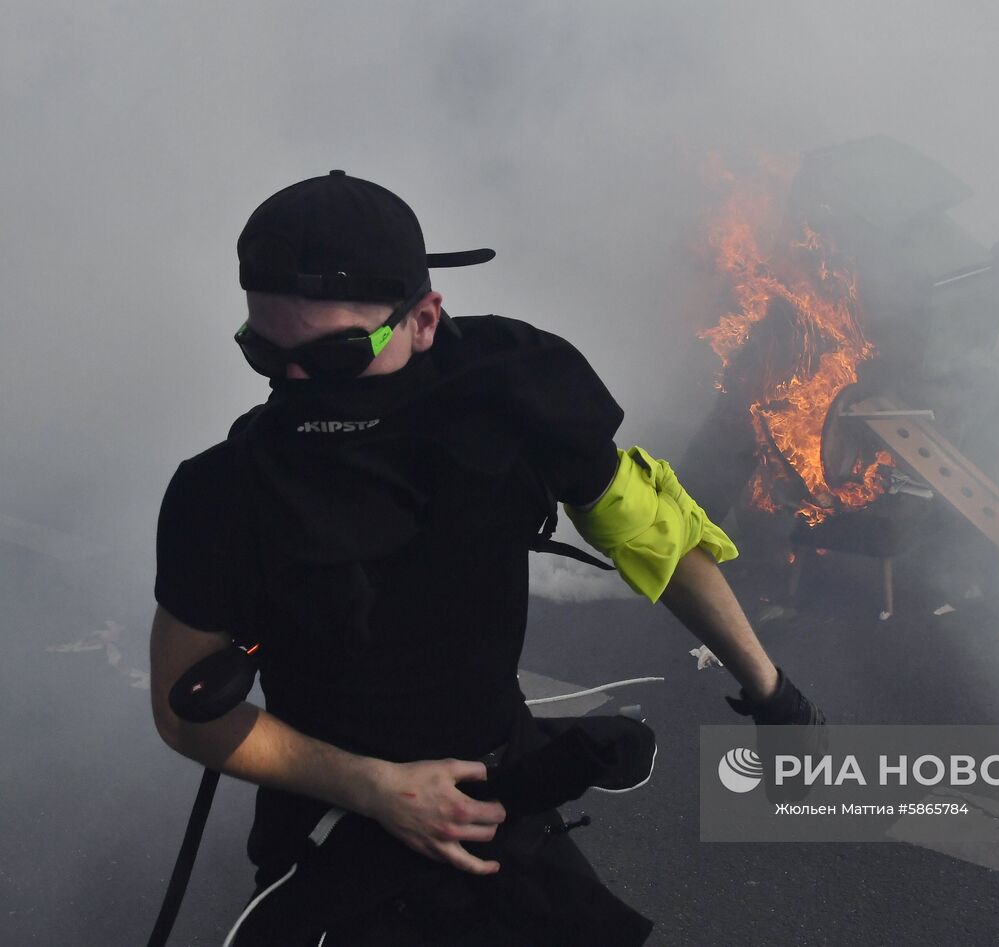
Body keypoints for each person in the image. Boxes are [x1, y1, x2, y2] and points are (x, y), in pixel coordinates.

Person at [148, 170, 825, 945]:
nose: (297, 384)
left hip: (506, 796)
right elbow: (184, 709)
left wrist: (773, 691)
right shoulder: (224, 493)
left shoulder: (512, 398)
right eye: (265, 354)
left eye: (335, 356)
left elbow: (653, 537)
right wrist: (375, 788)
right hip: (339, 829)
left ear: (425, 320)